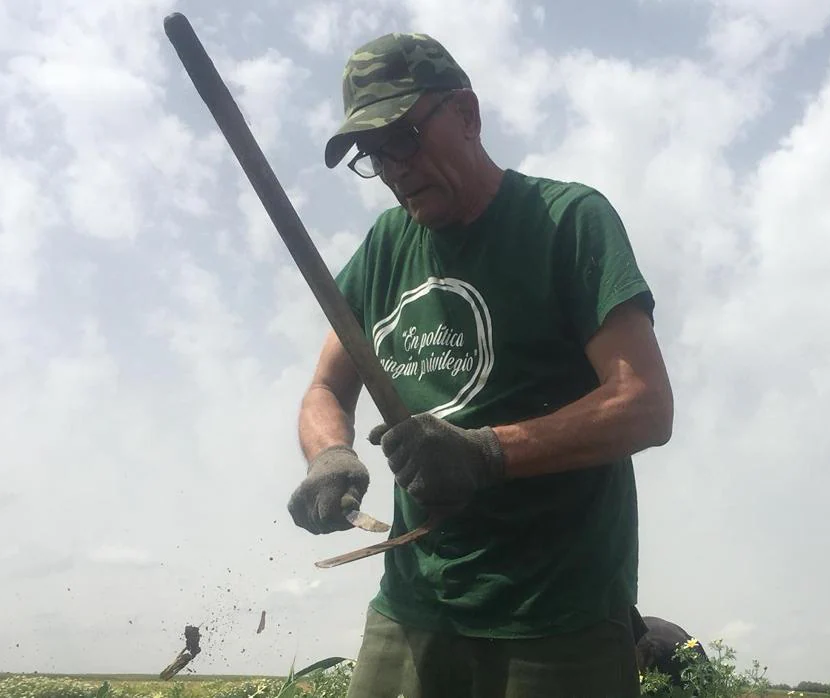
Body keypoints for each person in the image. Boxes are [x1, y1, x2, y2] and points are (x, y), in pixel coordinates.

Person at [285, 31, 674, 698]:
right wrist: (328, 454)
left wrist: (486, 453)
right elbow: (326, 385)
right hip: (412, 611)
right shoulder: (385, 246)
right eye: (374, 155)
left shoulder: (565, 222)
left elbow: (643, 403)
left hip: (556, 619)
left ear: (466, 114)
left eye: (403, 137)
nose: (394, 167)